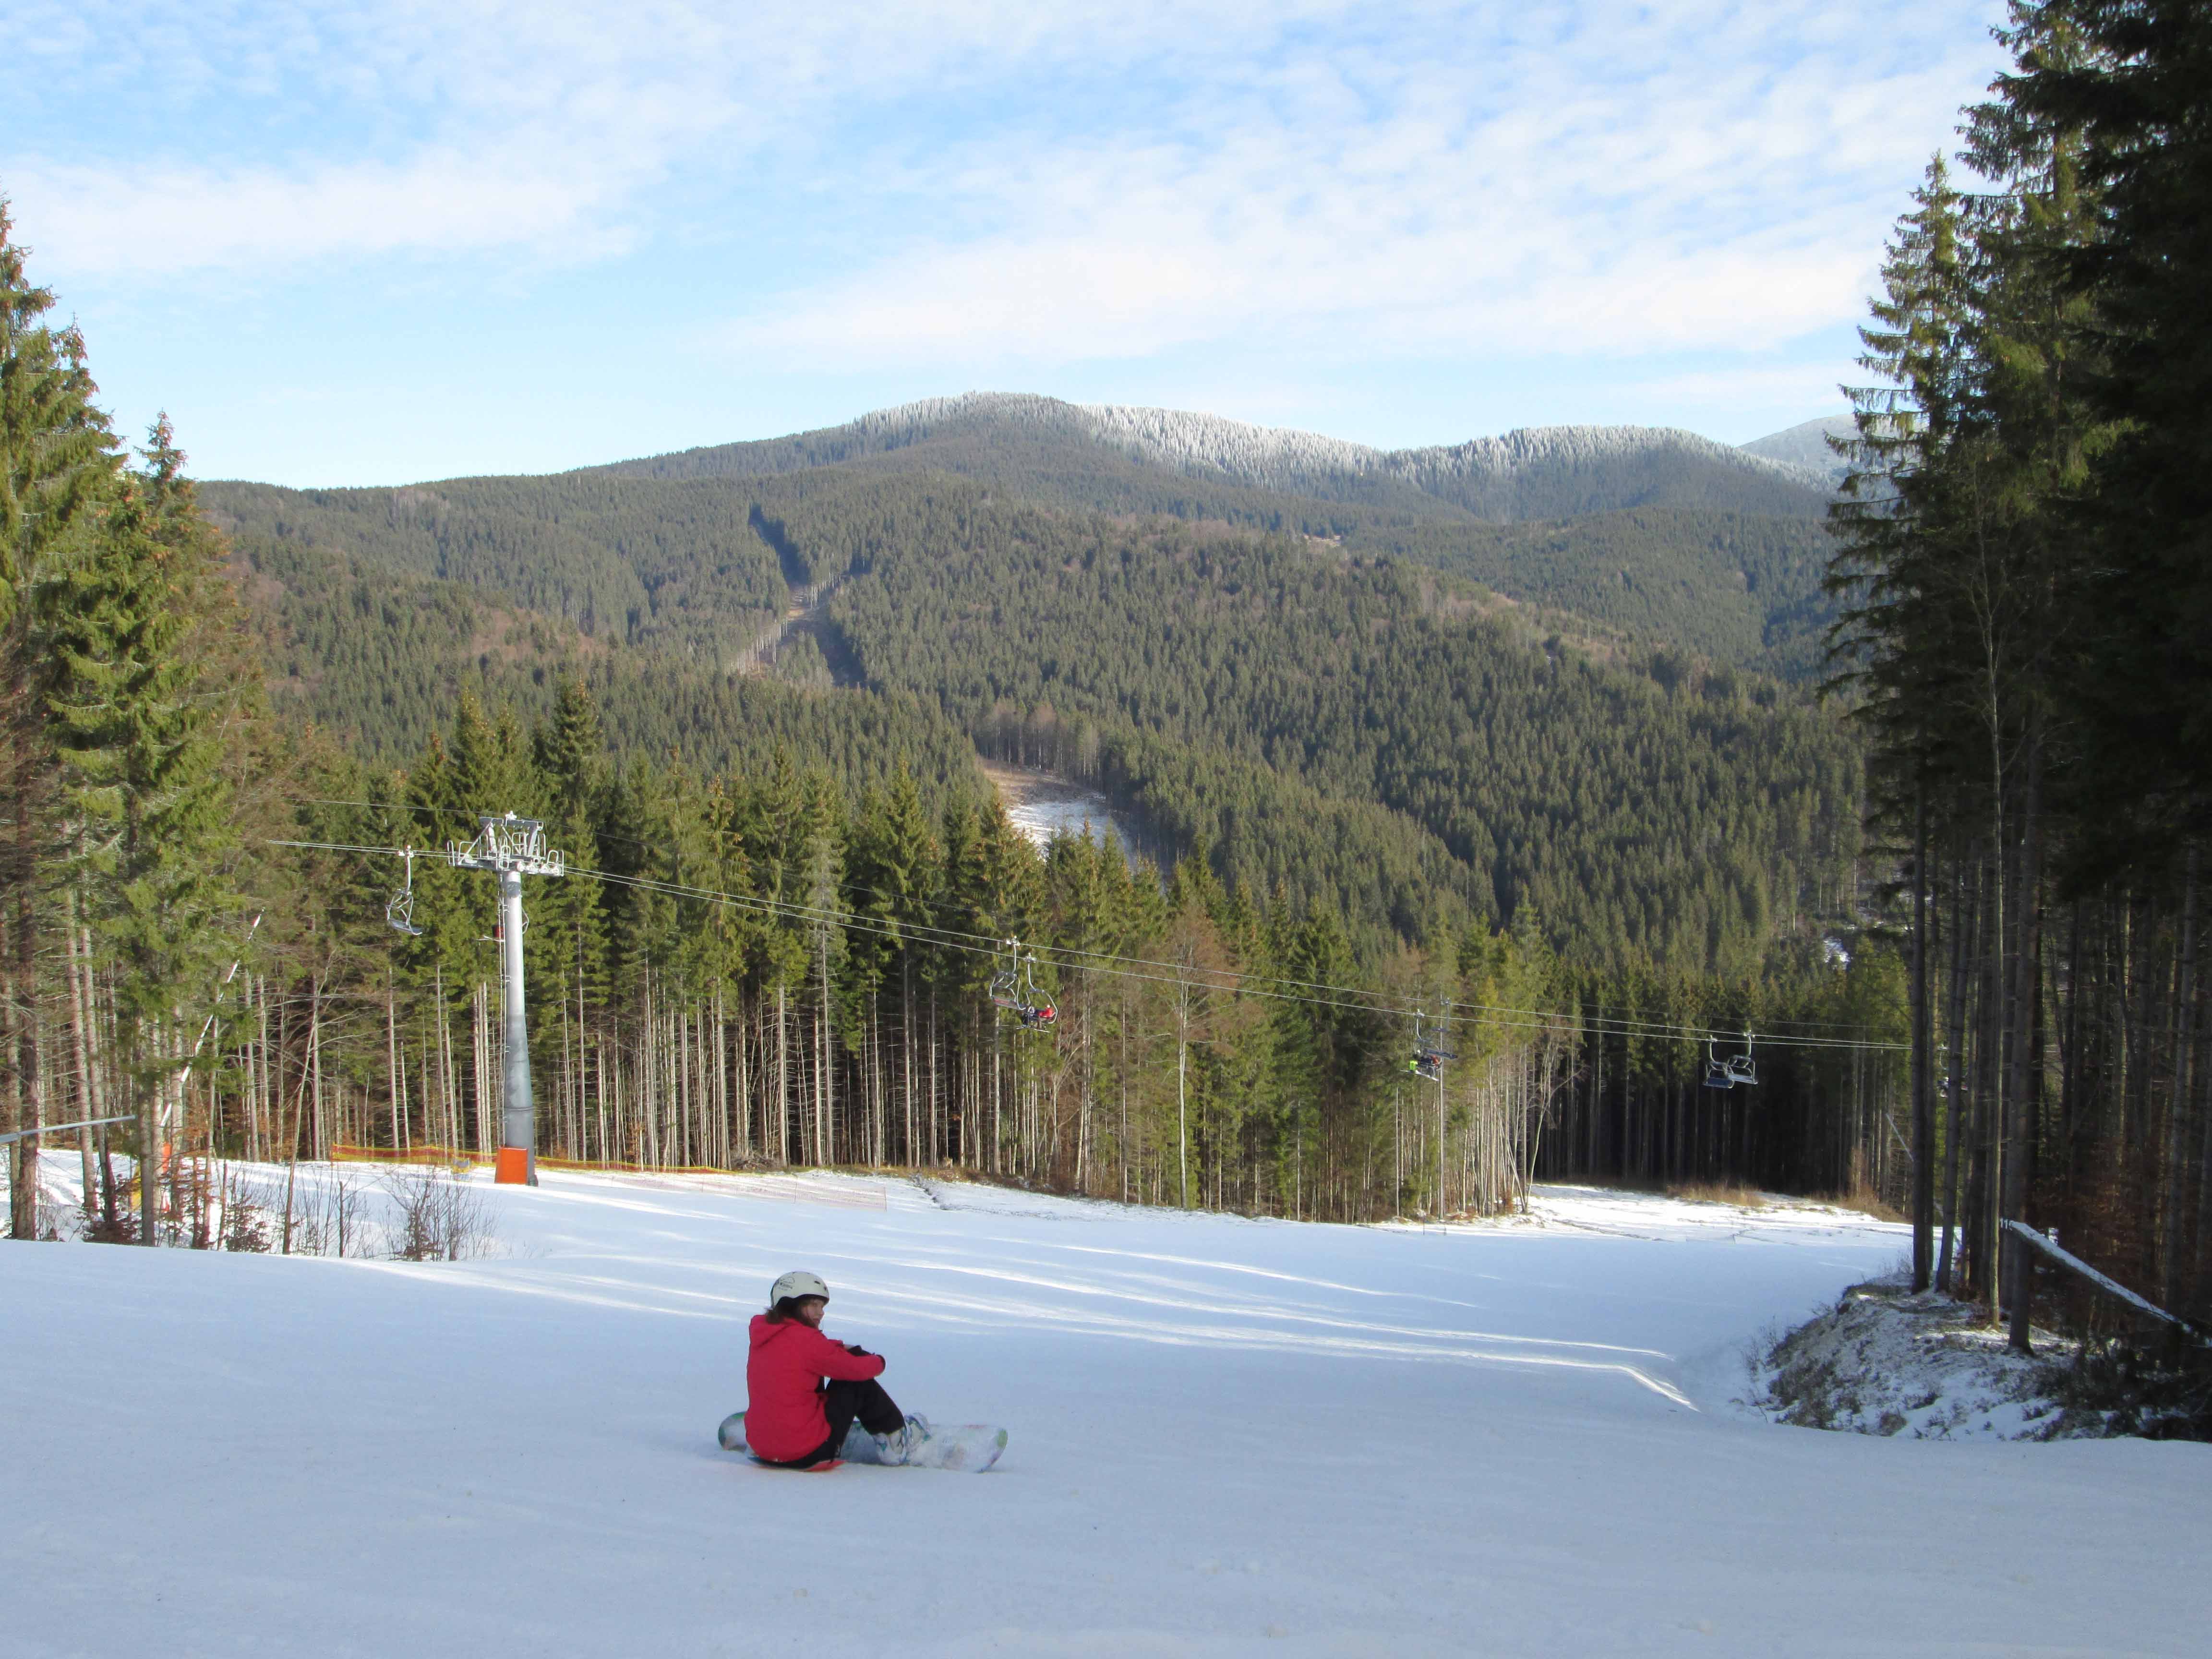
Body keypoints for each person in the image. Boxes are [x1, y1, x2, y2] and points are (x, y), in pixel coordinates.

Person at [745, 1270, 923, 1469]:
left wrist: (837, 1347)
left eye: (822, 1306)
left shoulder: (764, 1335)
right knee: (855, 1381)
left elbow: (803, 1351)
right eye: (813, 1305)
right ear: (792, 1303)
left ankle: (774, 1429)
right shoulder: (808, 1342)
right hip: (808, 1452)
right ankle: (896, 1439)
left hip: (763, 1448)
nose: (821, 1313)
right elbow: (855, 1369)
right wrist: (879, 1361)